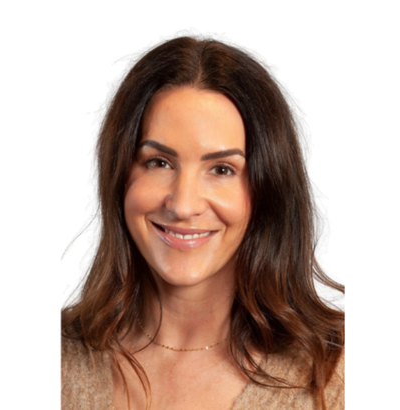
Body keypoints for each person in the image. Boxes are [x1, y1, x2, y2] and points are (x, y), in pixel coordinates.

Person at [61, 36, 345, 410]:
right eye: (158, 163)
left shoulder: (339, 372)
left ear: (268, 187)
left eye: (222, 169)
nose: (183, 205)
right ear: (119, 174)